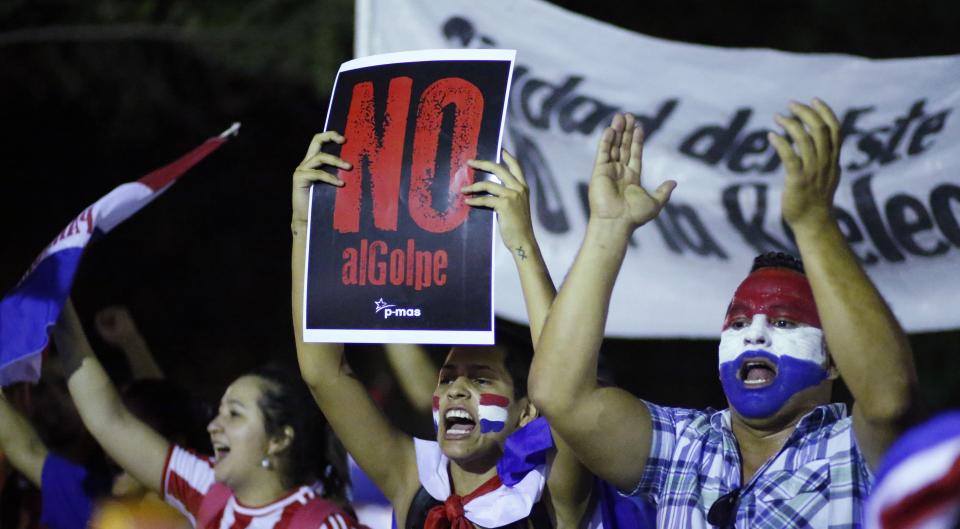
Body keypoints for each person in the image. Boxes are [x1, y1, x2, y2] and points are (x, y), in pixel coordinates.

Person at [529, 100, 919, 528]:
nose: (754, 336)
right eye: (737, 323)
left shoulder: (855, 450)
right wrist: (608, 228)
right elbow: (559, 394)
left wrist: (813, 223)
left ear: (832, 361)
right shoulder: (681, 446)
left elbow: (888, 398)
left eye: (784, 322)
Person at [291, 132, 594, 529]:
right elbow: (323, 374)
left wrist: (522, 241)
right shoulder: (412, 477)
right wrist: (307, 223)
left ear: (528, 411)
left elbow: (564, 379)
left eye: (481, 379)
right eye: (447, 378)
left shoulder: (551, 492)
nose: (455, 389)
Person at [51, 300, 359, 529]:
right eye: (219, 412)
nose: (213, 426)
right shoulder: (209, 488)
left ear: (278, 439)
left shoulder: (320, 523)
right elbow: (110, 420)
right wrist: (59, 310)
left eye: (234, 415)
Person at [0, 306, 203, 529]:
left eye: (127, 426)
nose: (113, 439)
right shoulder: (92, 500)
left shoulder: (214, 506)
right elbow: (26, 449)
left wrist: (131, 342)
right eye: (41, 390)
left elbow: (163, 409)